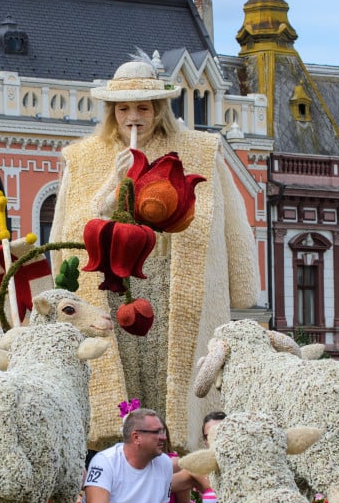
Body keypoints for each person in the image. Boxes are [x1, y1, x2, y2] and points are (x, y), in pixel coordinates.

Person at [50, 57, 259, 452]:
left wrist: (243, 286)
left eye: (143, 107)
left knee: (173, 379)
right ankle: (121, 456)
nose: (133, 117)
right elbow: (71, 226)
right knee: (122, 376)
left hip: (171, 283)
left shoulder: (200, 149)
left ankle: (180, 461)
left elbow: (232, 220)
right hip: (114, 286)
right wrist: (115, 182)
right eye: (124, 109)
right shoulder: (83, 157)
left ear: (159, 109)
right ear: (112, 112)